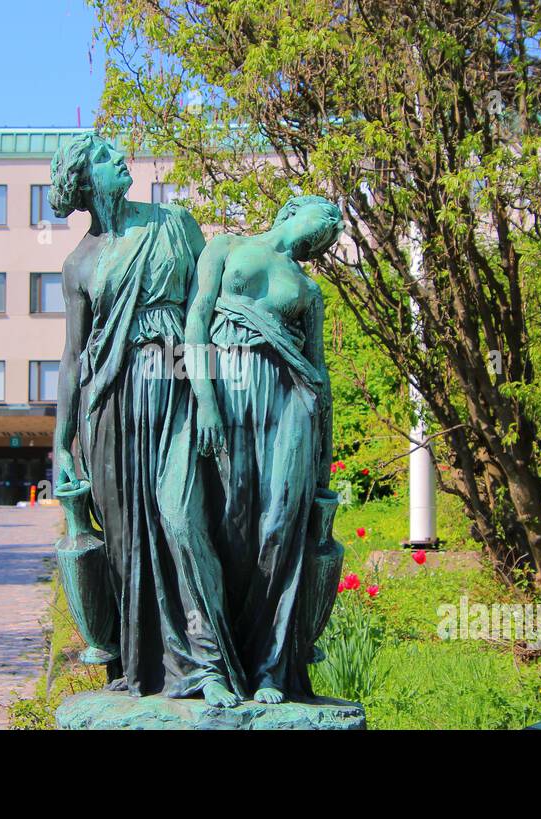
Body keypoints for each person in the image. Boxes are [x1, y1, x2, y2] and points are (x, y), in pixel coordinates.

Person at [50, 133, 245, 706]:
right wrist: (61, 445)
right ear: (87, 182)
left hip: (175, 378)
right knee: (127, 538)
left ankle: (210, 665)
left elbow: (201, 312)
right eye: (107, 158)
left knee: (181, 519)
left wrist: (207, 394)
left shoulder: (174, 222)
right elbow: (71, 357)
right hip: (111, 406)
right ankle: (146, 667)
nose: (121, 160)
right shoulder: (79, 263)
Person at [185, 195, 343, 703]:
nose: (325, 235)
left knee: (281, 524)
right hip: (228, 387)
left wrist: (324, 459)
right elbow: (196, 321)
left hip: (288, 398)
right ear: (292, 210)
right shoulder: (227, 245)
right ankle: (221, 660)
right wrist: (204, 399)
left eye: (331, 235)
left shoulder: (308, 289)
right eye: (323, 222)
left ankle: (273, 667)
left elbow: (318, 374)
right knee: (228, 522)